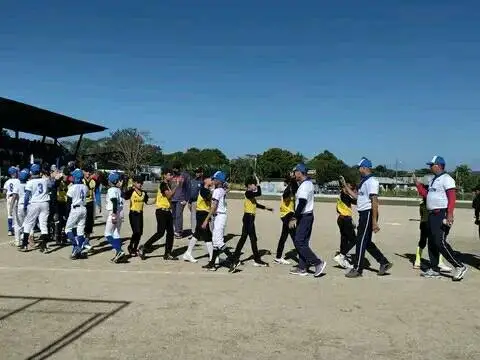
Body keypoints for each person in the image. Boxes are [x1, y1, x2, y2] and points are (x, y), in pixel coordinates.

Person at [414, 156, 467, 281]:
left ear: (438, 165)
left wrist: (449, 214)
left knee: (439, 241)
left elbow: (452, 197)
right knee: (432, 242)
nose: (430, 167)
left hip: (441, 214)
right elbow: (428, 195)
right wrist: (418, 186)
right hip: (432, 215)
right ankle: (434, 268)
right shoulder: (433, 180)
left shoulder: (447, 179)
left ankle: (459, 266)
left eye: (431, 164)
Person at [341, 158, 393, 278]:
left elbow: (374, 201)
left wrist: (374, 221)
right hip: (363, 214)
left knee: (360, 241)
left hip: (368, 213)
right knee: (367, 242)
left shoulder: (372, 182)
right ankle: (384, 262)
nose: (359, 170)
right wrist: (346, 187)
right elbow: (357, 197)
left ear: (365, 168)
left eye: (360, 167)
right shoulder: (364, 181)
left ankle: (357, 269)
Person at [288, 164, 326, 277]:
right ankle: (302, 267)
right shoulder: (306, 184)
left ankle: (318, 263)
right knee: (303, 242)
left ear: (300, 172)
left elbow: (302, 203)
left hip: (304, 217)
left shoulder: (305, 186)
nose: (294, 174)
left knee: (299, 242)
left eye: (295, 172)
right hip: (307, 216)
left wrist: (294, 217)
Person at [229, 175, 273, 271]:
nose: (255, 186)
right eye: (254, 185)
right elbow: (259, 193)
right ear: (249, 185)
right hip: (248, 218)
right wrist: (258, 184)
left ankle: (255, 259)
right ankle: (235, 259)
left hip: (250, 218)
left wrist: (266, 208)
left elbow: (255, 204)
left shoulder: (250, 194)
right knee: (244, 238)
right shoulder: (248, 193)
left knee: (252, 239)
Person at [139, 169, 178, 261]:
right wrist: (176, 186)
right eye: (169, 175)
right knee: (160, 233)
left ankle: (167, 253)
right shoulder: (163, 185)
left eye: (172, 175)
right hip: (161, 211)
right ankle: (144, 247)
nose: (171, 177)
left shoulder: (168, 185)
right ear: (164, 175)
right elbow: (169, 196)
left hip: (168, 211)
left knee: (171, 233)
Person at [413, 185, 451, 271]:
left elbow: (421, 214)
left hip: (423, 223)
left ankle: (417, 261)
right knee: (439, 241)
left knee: (422, 242)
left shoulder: (422, 203)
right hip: (431, 223)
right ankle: (440, 262)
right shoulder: (433, 203)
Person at [201, 171, 234, 271]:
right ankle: (212, 264)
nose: (213, 180)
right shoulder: (221, 190)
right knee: (215, 242)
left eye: (214, 179)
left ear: (219, 180)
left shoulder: (217, 191)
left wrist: (206, 220)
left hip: (219, 216)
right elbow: (227, 188)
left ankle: (233, 260)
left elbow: (214, 207)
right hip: (220, 216)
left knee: (219, 241)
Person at [182, 176, 214, 263]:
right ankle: (212, 258)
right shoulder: (204, 190)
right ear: (205, 181)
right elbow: (209, 198)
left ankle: (188, 253)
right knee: (207, 235)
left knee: (197, 234)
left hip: (203, 213)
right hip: (202, 214)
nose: (212, 181)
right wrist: (215, 191)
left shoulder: (206, 190)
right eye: (211, 179)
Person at [21, 163, 52, 253]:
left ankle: (24, 245)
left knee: (28, 223)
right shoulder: (45, 180)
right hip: (45, 203)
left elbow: (26, 196)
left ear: (31, 172)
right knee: (43, 224)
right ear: (40, 172)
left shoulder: (30, 182)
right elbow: (50, 187)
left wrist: (25, 205)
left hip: (34, 203)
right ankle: (44, 246)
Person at [274, 173, 298, 265]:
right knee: (295, 237)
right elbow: (285, 195)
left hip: (288, 214)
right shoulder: (287, 189)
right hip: (286, 215)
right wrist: (292, 181)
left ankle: (278, 257)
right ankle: (303, 259)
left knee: (283, 237)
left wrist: (293, 181)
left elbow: (295, 187)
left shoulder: (292, 188)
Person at [123, 175, 150, 257]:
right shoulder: (131, 192)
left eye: (141, 183)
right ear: (134, 183)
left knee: (140, 233)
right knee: (136, 231)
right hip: (133, 214)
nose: (140, 184)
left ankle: (134, 248)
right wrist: (128, 187)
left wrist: (157, 200)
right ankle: (131, 246)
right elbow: (124, 196)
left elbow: (147, 202)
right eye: (138, 183)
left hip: (140, 214)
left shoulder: (144, 193)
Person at [64, 169, 89, 259]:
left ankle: (76, 247)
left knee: (68, 229)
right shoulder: (85, 187)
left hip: (75, 209)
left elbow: (68, 202)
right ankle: (79, 249)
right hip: (83, 208)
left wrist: (66, 214)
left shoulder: (72, 188)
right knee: (80, 231)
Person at [333, 182, 356, 269]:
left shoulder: (341, 195)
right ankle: (341, 255)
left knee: (344, 239)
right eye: (350, 188)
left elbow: (338, 209)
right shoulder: (345, 196)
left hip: (341, 218)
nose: (351, 190)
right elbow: (356, 201)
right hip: (345, 220)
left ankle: (342, 258)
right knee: (354, 240)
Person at [104, 172, 126, 263]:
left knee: (107, 234)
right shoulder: (118, 190)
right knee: (116, 233)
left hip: (114, 212)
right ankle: (118, 253)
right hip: (120, 212)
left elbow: (113, 201)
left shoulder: (111, 190)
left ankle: (119, 250)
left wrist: (113, 214)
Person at [170, 161, 191, 238]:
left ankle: (179, 232)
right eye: (174, 169)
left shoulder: (185, 176)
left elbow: (188, 188)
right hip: (172, 198)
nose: (175, 170)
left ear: (179, 169)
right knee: (173, 216)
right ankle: (175, 230)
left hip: (181, 199)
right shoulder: (171, 176)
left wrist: (186, 199)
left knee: (179, 215)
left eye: (176, 169)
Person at [10, 169, 29, 247]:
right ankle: (25, 239)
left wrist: (11, 208)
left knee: (17, 224)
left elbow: (14, 197)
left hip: (20, 205)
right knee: (27, 223)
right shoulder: (29, 184)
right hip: (29, 205)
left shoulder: (18, 185)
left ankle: (17, 241)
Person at [82, 164, 97, 249]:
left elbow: (96, 192)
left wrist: (98, 202)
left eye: (89, 171)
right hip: (83, 204)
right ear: (83, 171)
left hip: (91, 203)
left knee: (89, 223)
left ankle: (87, 241)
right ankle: (81, 240)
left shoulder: (93, 181)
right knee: (82, 222)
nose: (88, 173)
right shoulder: (80, 180)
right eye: (86, 171)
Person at [3, 166, 19, 236]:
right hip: (16, 198)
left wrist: (5, 197)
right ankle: (16, 229)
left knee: (10, 214)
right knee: (17, 214)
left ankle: (10, 230)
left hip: (9, 198)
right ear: (15, 173)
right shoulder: (18, 180)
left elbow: (4, 192)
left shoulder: (7, 181)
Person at [188, 167, 204, 239]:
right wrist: (189, 202)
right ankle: (194, 233)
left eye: (198, 172)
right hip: (193, 202)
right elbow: (190, 192)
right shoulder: (192, 181)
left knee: (201, 218)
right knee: (193, 218)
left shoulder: (204, 182)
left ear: (202, 173)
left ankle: (201, 234)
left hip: (202, 203)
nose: (197, 173)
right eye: (196, 172)